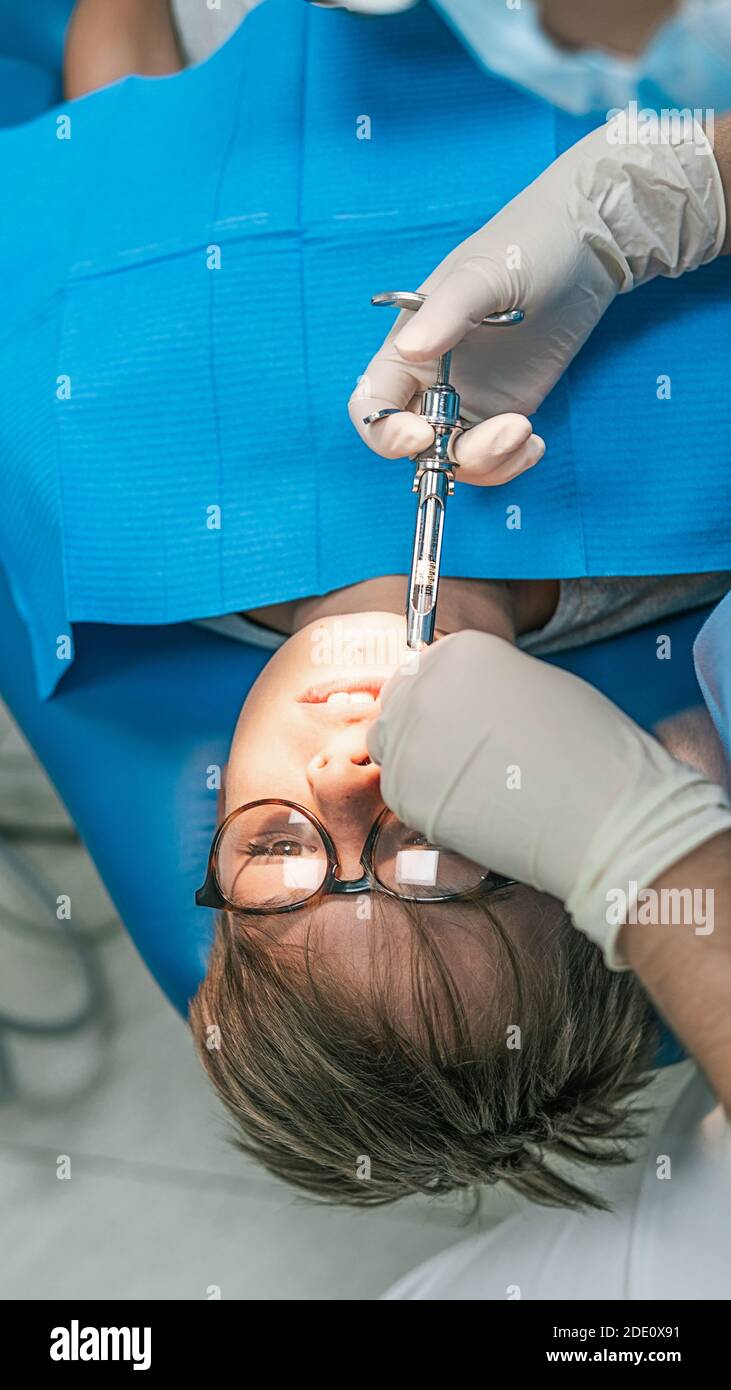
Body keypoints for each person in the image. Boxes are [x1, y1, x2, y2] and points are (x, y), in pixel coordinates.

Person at [186, 572, 731, 1207]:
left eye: (281, 847)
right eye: (430, 846)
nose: (340, 780)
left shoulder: (125, 535)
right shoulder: (692, 548)